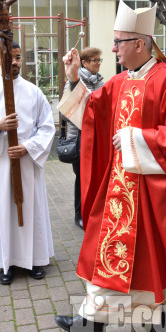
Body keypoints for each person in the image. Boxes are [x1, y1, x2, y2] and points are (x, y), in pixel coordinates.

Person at [55, 0, 166, 332]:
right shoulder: (119, 82)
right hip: (118, 186)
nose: (114, 48)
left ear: (139, 44)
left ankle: (165, 320)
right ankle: (95, 318)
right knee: (101, 249)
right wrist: (75, 79)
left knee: (157, 258)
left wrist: (138, 138)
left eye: (119, 42)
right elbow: (93, 114)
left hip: (157, 190)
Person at [0, 41, 55, 285]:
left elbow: (47, 126)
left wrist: (29, 147)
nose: (15, 62)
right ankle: (6, 263)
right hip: (0, 162)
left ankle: (34, 260)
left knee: (30, 208)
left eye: (18, 57)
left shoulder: (33, 92)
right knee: (2, 209)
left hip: (26, 161)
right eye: (10, 58)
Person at [63, 46, 105, 230]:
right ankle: (79, 214)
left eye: (99, 60)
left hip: (98, 137)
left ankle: (94, 212)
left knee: (95, 175)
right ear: (85, 63)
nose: (98, 64)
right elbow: (66, 113)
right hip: (80, 138)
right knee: (81, 177)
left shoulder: (102, 82)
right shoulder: (73, 81)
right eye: (95, 60)